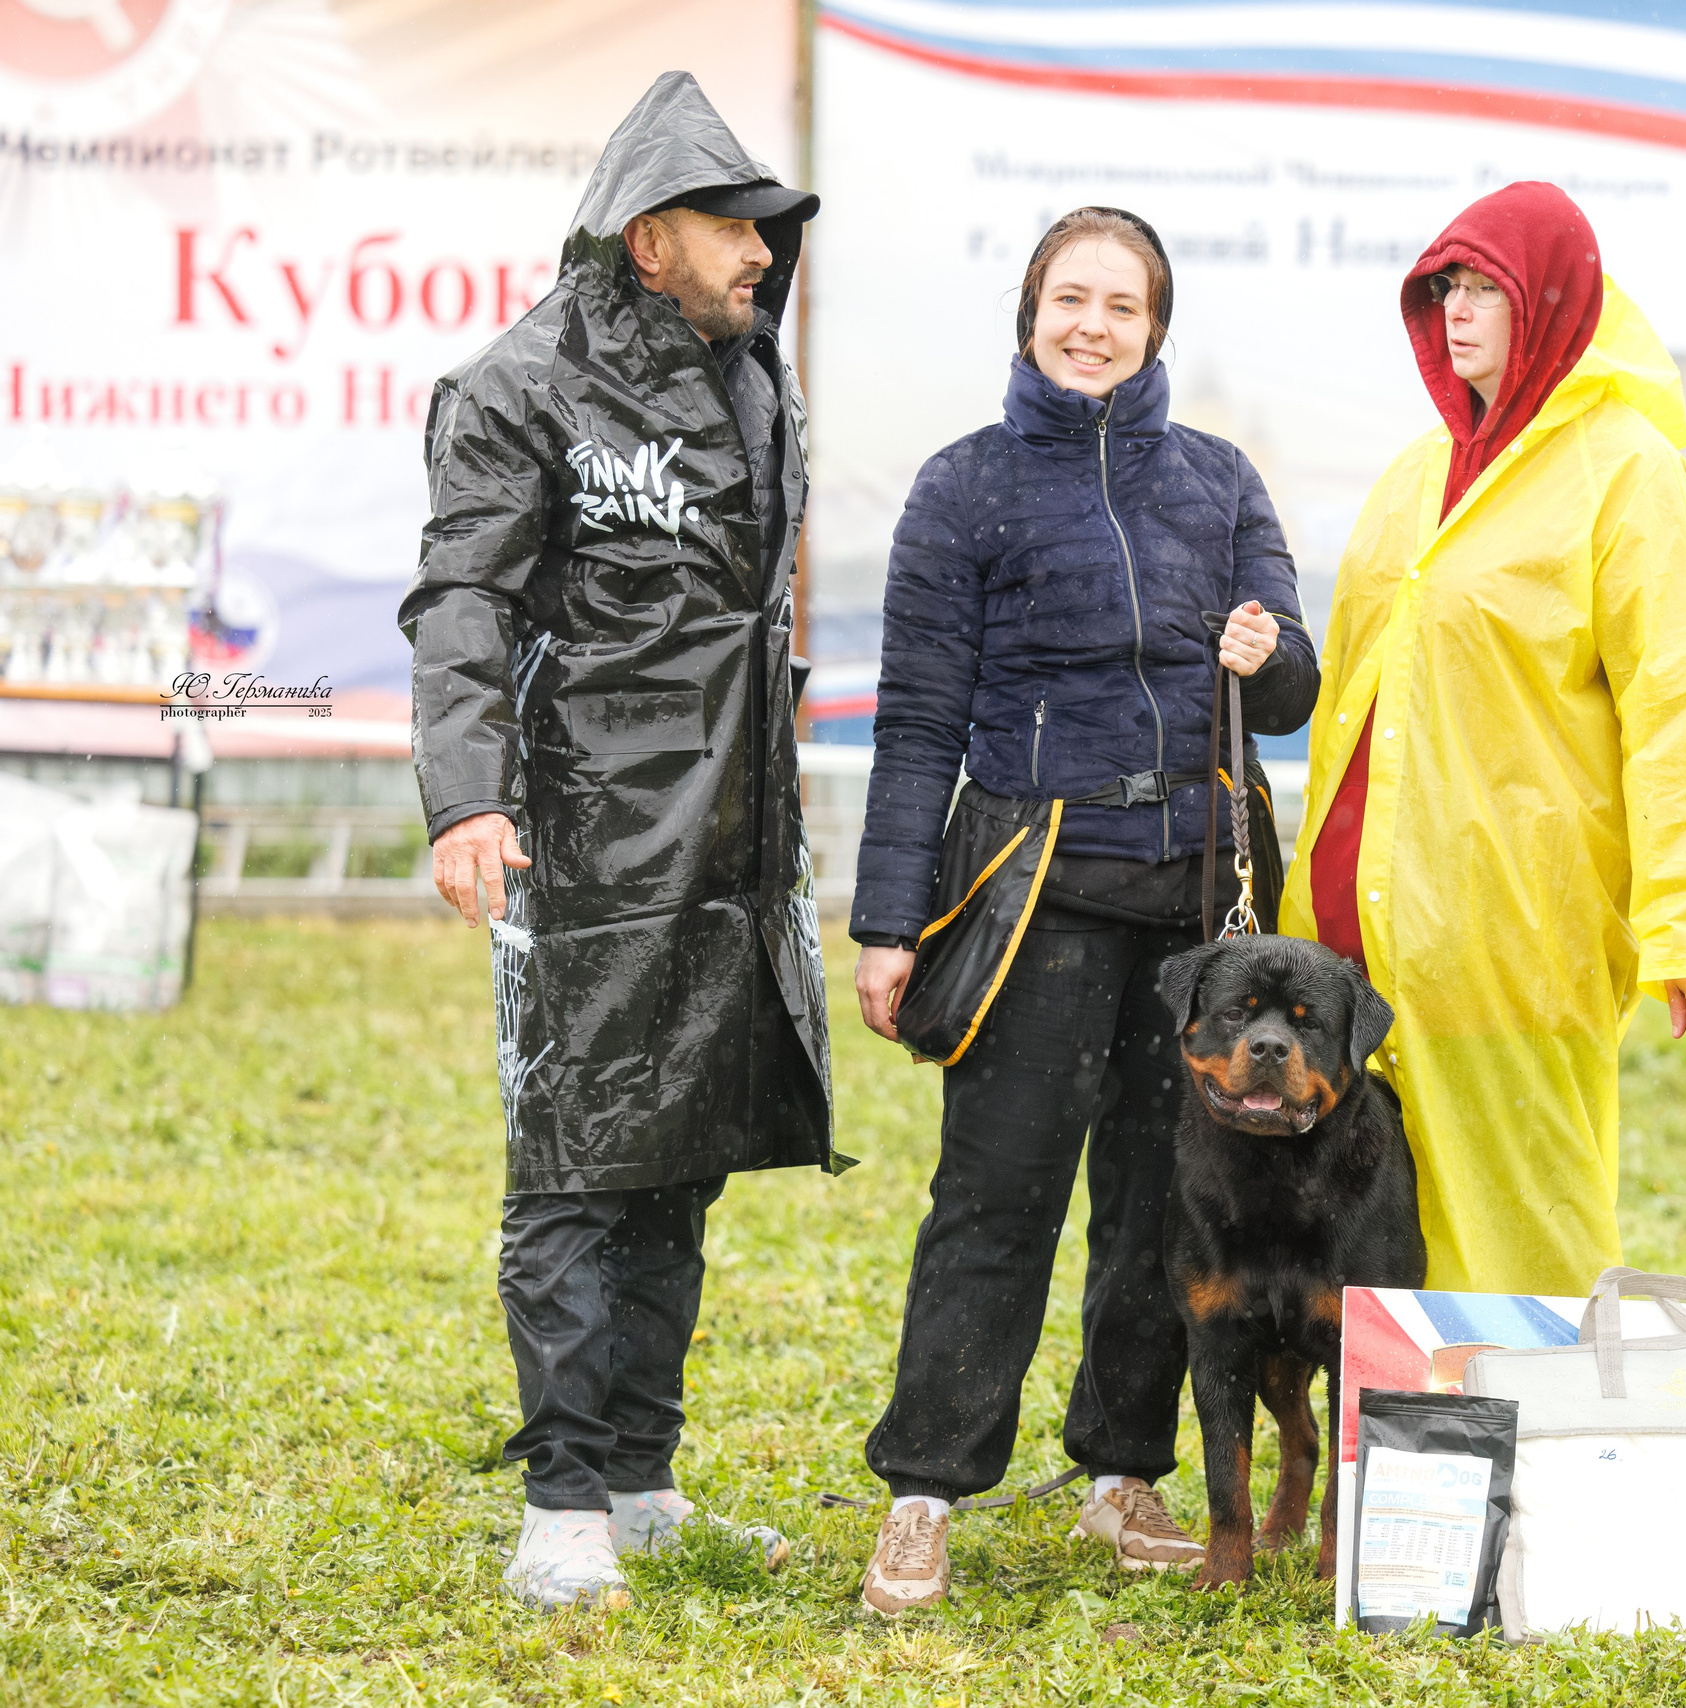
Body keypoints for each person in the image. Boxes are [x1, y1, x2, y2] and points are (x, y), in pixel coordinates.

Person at [399, 72, 834, 1611]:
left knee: (680, 1159)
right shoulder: (522, 386)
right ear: (650, 238)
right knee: (578, 1160)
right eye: (736, 227)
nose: (763, 253)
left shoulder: (758, 380)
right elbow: (462, 603)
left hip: (729, 843)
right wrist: (468, 800)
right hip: (583, 841)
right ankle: (563, 1503)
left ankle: (641, 1482)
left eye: (772, 230)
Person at [847, 207, 1319, 1616]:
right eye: (1070, 298)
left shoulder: (1224, 483)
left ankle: (1125, 1469)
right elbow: (918, 724)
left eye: (1122, 304)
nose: (1093, 324)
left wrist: (1269, 647)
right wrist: (887, 922)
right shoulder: (961, 489)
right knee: (995, 1199)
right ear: (1030, 313)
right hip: (1030, 894)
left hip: (1197, 922)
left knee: (1162, 1205)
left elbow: (1288, 692)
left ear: (1157, 327)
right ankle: (926, 1488)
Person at [1283, 181, 1686, 1297]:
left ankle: (1535, 1443)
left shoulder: (1628, 472)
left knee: (1523, 1217)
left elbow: (1679, 707)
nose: (1458, 309)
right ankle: (1402, 1461)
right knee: (1364, 1236)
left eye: (1486, 287)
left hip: (1513, 932)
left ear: (1549, 299)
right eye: (1445, 285)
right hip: (1355, 942)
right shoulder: (1413, 473)